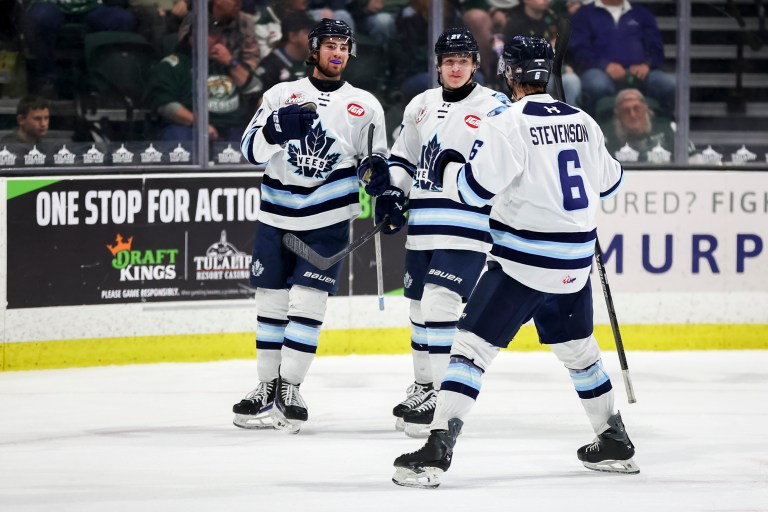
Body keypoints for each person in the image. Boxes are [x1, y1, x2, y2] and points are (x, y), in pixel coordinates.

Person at [392, 36, 638, 489]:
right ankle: (614, 439)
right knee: (579, 350)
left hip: (524, 262)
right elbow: (611, 183)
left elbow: (473, 192)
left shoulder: (507, 121)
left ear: (509, 74)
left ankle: (437, 447)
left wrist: (448, 166)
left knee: (469, 349)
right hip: (574, 264)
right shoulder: (582, 120)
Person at [234, 18, 389, 434]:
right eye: (331, 45)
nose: (338, 52)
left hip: (326, 222)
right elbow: (250, 150)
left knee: (307, 304)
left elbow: (376, 162)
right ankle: (265, 387)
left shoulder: (365, 105)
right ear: (315, 49)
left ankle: (291, 388)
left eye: (344, 46)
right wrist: (274, 128)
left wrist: (377, 176)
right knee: (270, 305)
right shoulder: (281, 94)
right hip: (276, 218)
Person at [382, 27, 511, 438]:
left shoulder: (496, 106)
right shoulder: (420, 104)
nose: (456, 68)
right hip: (422, 227)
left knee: (439, 305)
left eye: (464, 61)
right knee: (419, 310)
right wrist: (391, 192)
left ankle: (441, 395)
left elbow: (506, 163)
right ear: (438, 65)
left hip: (467, 225)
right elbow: (403, 157)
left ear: (475, 64)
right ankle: (423, 386)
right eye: (449, 61)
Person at [149, 0, 262, 142]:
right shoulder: (174, 64)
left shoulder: (228, 62)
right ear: (193, 38)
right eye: (212, 35)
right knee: (177, 137)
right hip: (190, 128)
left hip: (233, 129)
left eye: (220, 34)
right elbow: (165, 105)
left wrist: (231, 63)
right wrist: (200, 124)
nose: (218, 39)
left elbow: (256, 88)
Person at [569, 0, 676, 117]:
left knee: (670, 84)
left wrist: (646, 65)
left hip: (639, 75)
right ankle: (598, 131)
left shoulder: (641, 13)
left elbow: (656, 47)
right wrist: (605, 66)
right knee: (597, 85)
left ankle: (664, 129)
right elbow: (579, 49)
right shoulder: (584, 13)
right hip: (599, 71)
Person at [22, 0, 134, 97]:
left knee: (123, 20)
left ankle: (105, 81)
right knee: (40, 19)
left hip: (90, 7)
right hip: (51, 5)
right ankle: (47, 80)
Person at [502, 0, 581, 106]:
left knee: (571, 80)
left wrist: (565, 65)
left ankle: (570, 118)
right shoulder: (515, 23)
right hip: (524, 74)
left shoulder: (553, 19)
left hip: (551, 72)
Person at [603, 88, 676, 163]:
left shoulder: (666, 133)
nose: (632, 115)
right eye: (626, 111)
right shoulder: (606, 142)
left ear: (646, 110)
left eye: (637, 109)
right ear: (618, 115)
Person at [253, 12, 315, 97]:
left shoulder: (315, 64)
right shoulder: (269, 67)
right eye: (308, 32)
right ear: (293, 36)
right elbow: (258, 104)